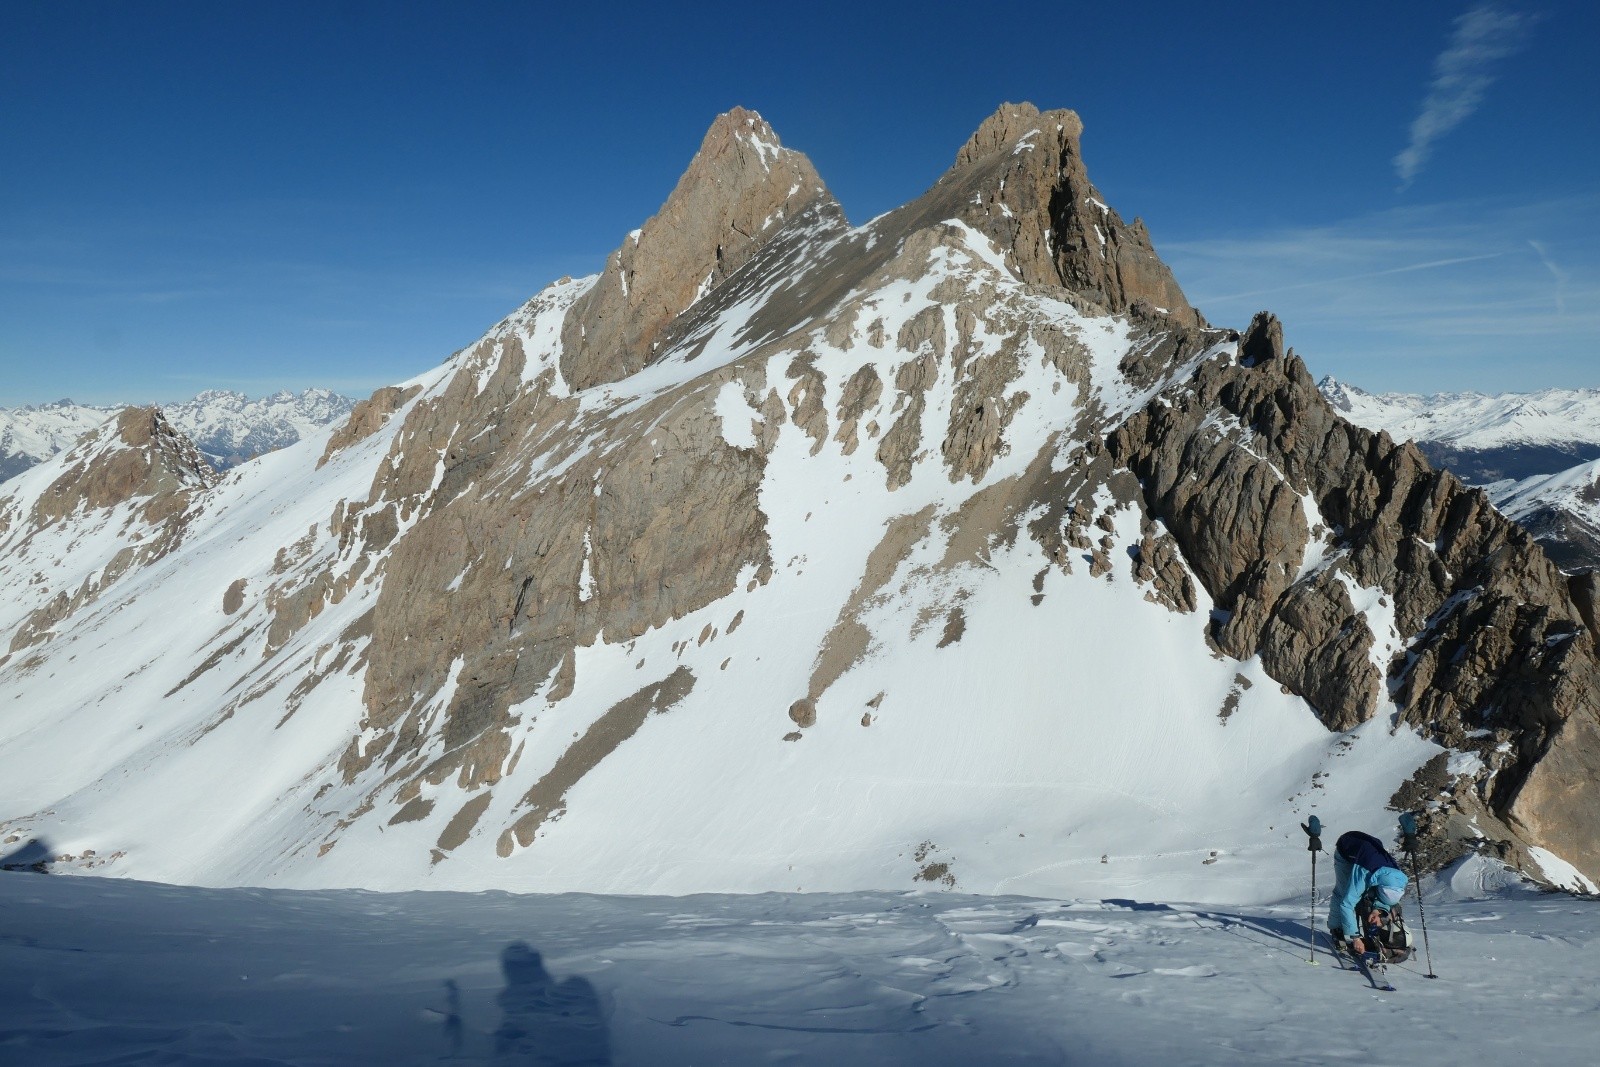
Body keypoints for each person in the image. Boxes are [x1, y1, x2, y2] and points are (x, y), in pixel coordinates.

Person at [1328, 829, 1409, 959]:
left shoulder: (1397, 878)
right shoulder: (1364, 872)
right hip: (1346, 849)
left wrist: (1378, 911)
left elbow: (1385, 897)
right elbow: (1347, 904)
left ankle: (1359, 931)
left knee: (1366, 895)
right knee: (1344, 893)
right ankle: (1338, 929)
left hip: (1369, 852)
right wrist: (1355, 938)